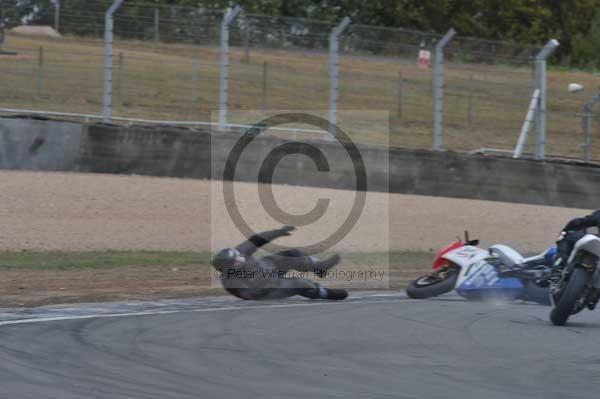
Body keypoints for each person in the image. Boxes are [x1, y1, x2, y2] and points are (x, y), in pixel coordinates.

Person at [212, 226, 348, 300]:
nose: (240, 258)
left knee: (292, 255)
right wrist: (258, 293)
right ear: (227, 268)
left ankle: (319, 268)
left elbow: (257, 239)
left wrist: (277, 232)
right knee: (298, 283)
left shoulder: (240, 251)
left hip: (269, 266)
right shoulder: (229, 281)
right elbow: (245, 294)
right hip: (267, 287)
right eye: (235, 261)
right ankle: (325, 293)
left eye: (238, 256)